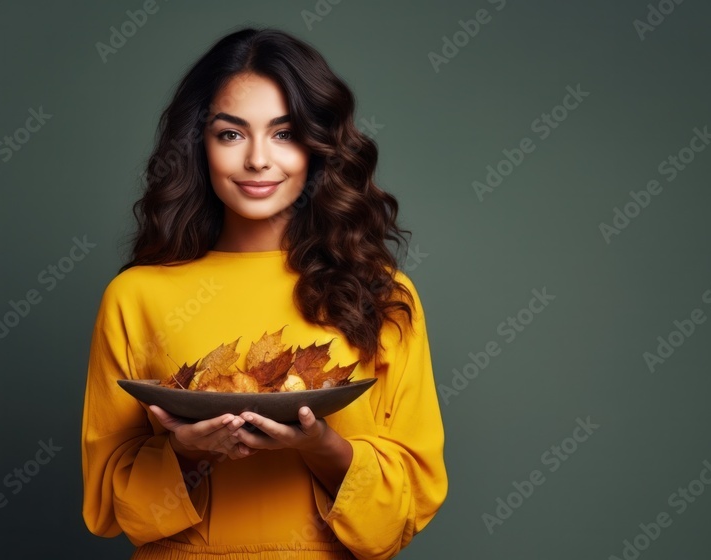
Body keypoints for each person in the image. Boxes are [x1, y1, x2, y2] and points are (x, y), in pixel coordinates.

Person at [81, 26, 448, 559]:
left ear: (318, 147)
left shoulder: (380, 292)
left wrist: (322, 447)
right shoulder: (135, 295)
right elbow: (107, 508)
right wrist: (183, 453)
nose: (257, 159)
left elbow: (407, 508)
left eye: (284, 133)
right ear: (198, 145)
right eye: (231, 134)